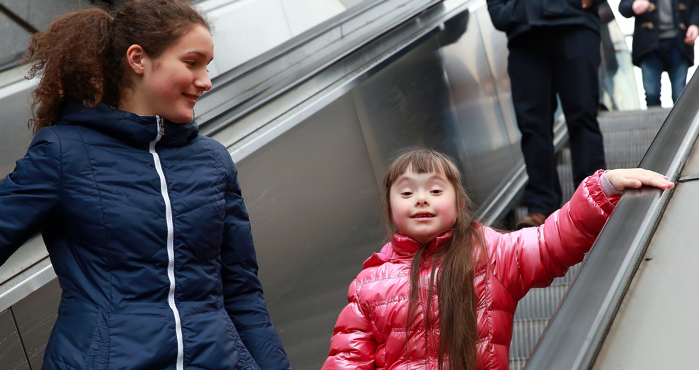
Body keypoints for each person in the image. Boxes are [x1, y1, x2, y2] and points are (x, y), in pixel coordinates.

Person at [0, 1, 291, 369]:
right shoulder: (64, 153)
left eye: (207, 65)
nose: (206, 80)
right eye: (192, 62)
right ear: (138, 59)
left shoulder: (214, 161)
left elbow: (243, 294)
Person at [322, 148, 673, 370]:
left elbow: (551, 242)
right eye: (407, 191)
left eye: (435, 189)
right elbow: (347, 359)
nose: (421, 199)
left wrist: (604, 188)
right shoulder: (369, 283)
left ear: (458, 203)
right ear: (390, 208)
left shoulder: (489, 253)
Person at [486, 0, 608, 229]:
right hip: (524, 33)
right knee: (532, 125)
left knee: (582, 114)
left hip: (575, 25)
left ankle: (593, 196)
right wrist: (510, 11)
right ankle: (541, 205)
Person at [619, 0, 699, 106]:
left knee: (680, 94)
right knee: (652, 93)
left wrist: (695, 25)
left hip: (679, 44)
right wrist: (633, 5)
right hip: (648, 45)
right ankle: (655, 122)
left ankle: (680, 122)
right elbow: (623, 6)